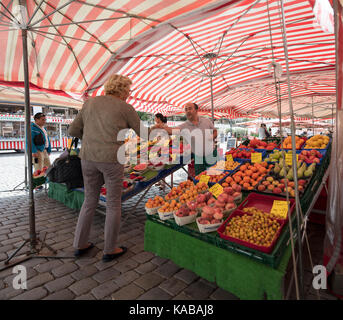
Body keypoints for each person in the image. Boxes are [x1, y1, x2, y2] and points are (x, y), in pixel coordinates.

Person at [68, 74, 152, 262]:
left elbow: (73, 131)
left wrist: (92, 138)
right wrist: (165, 129)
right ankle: (109, 249)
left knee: (89, 201)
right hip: (112, 159)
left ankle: (79, 245)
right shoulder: (125, 107)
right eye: (128, 91)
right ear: (122, 90)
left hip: (88, 157)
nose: (129, 95)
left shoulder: (90, 103)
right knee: (114, 204)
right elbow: (144, 134)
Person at [155, 102, 217, 176]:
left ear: (196, 110)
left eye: (190, 108)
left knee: (214, 177)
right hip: (198, 157)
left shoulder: (206, 120)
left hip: (211, 154)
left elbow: (215, 131)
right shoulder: (184, 126)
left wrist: (211, 137)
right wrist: (161, 127)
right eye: (186, 109)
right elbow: (171, 131)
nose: (187, 111)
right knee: (200, 180)